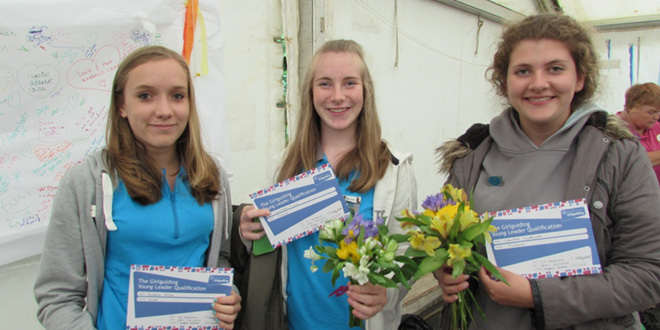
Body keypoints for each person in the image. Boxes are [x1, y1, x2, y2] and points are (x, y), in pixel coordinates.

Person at [435, 14, 660, 329]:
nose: (538, 83)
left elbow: (647, 275)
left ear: (580, 78)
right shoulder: (471, 155)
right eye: (523, 71)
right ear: (504, 82)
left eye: (555, 68)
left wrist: (538, 295)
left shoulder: (619, 155)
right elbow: (446, 244)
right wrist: (444, 270)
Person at [34, 45, 241, 329]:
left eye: (177, 96)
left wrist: (228, 294)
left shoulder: (211, 174)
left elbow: (218, 257)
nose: (165, 110)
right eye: (145, 96)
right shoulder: (88, 183)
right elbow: (56, 297)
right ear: (121, 105)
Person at [231, 39, 417, 330]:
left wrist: (388, 292)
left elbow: (408, 256)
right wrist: (248, 227)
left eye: (350, 83)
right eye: (325, 84)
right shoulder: (288, 164)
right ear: (311, 92)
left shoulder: (393, 169)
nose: (338, 96)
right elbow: (270, 242)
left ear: (365, 90)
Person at [617, 82, 660, 185]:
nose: (657, 117)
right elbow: (629, 163)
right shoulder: (614, 131)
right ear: (632, 107)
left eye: (659, 112)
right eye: (651, 112)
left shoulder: (656, 127)